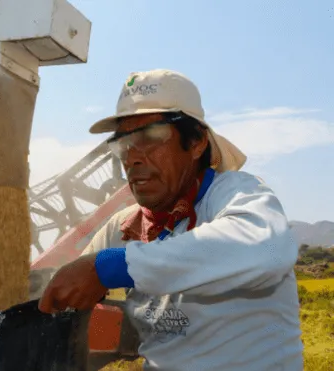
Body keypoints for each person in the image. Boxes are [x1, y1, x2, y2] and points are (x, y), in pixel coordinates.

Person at [38, 69, 304, 370]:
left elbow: (266, 250)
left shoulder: (234, 195)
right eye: (123, 145)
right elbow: (78, 291)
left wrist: (110, 267)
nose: (132, 158)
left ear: (196, 143)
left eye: (151, 137)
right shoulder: (125, 227)